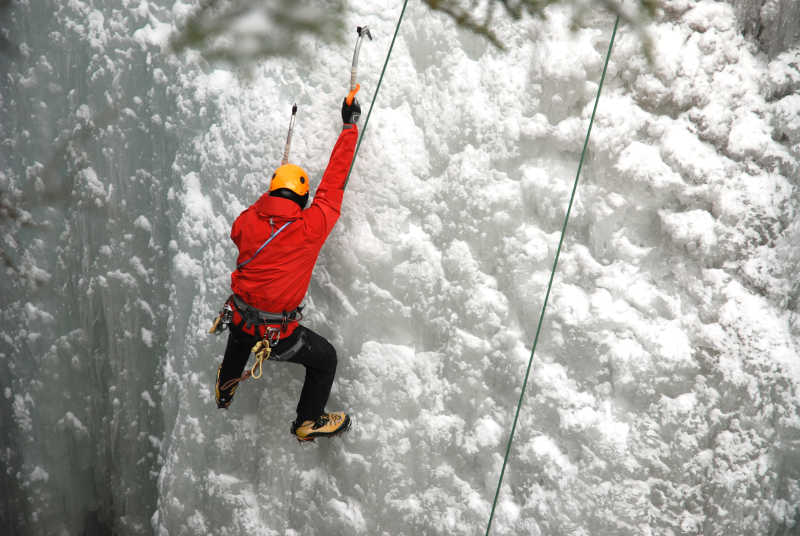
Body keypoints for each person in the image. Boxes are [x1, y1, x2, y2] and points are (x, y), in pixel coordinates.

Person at [214, 94, 361, 442]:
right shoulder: (310, 228)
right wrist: (349, 127)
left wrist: (270, 199)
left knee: (240, 332)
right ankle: (308, 421)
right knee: (325, 359)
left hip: (240, 320)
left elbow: (243, 227)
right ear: (302, 201)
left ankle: (225, 388)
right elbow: (332, 186)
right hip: (276, 336)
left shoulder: (247, 221)